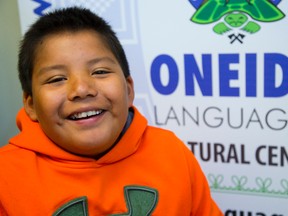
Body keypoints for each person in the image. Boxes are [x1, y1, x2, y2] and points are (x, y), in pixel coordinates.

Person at [0, 7, 223, 216]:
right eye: (57, 79)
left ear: (128, 89)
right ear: (30, 105)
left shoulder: (172, 153)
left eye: (99, 71)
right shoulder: (6, 177)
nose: (81, 89)